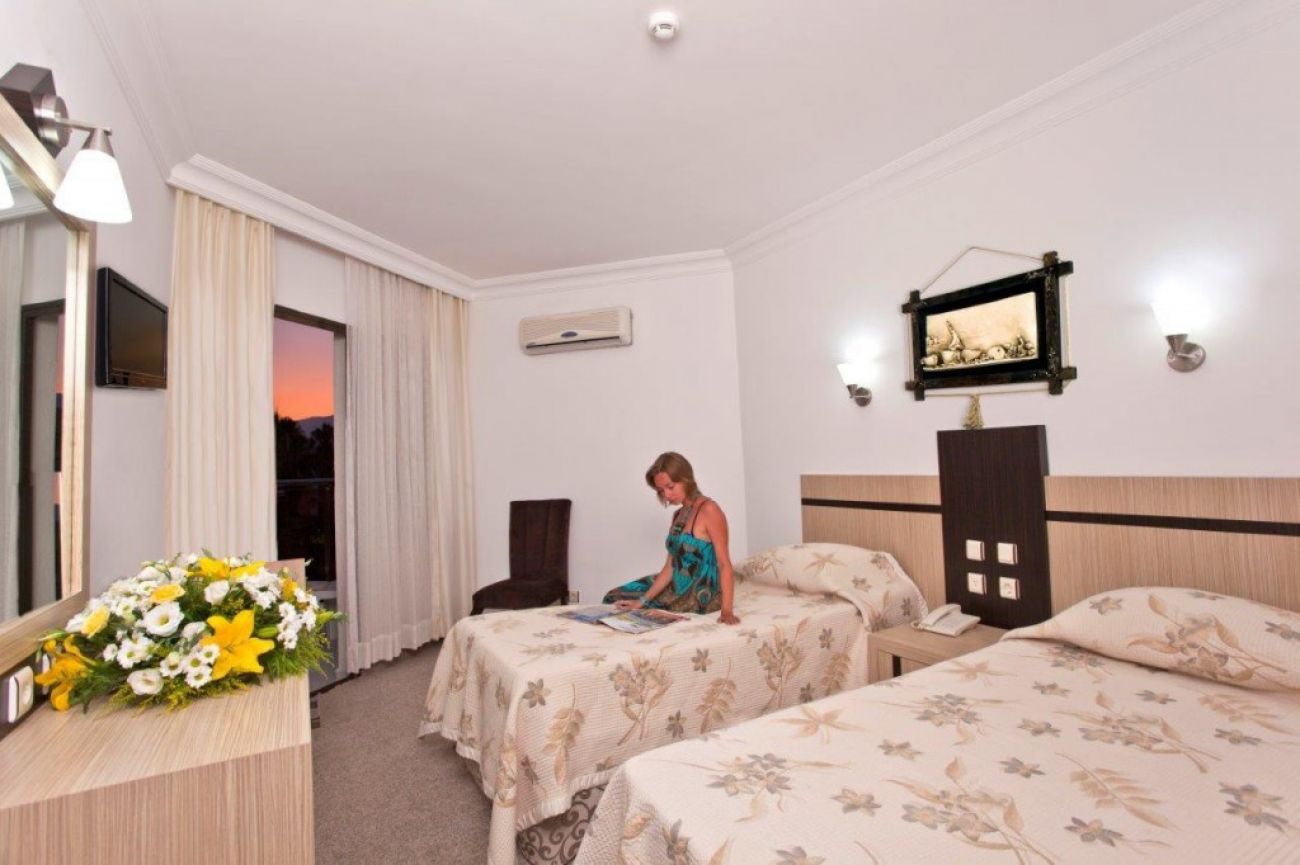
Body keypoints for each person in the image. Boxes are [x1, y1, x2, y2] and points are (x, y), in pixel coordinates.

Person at [602, 452, 740, 625]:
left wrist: (727, 611)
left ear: (686, 479)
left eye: (670, 487)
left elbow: (724, 564)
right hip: (675, 584)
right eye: (661, 490)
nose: (666, 495)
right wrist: (641, 602)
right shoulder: (677, 516)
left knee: (643, 613)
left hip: (699, 592)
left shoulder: (709, 510)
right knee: (613, 598)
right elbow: (670, 567)